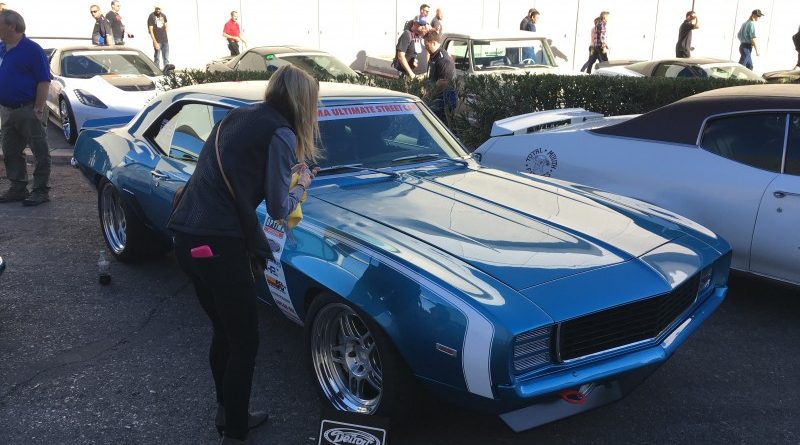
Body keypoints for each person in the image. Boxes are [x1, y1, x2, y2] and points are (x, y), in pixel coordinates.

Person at [168, 64, 320, 444]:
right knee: (246, 340)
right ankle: (235, 432)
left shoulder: (239, 116)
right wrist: (301, 184)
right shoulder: (281, 132)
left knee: (225, 330)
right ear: (304, 102)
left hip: (187, 236)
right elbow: (278, 208)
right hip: (218, 244)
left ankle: (228, 412)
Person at [0, 9, 52, 206]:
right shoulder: (2, 48)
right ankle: (18, 188)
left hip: (29, 109)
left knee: (40, 151)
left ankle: (40, 191)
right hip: (7, 110)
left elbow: (44, 81)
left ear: (12, 26)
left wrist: (38, 109)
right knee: (11, 150)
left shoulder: (32, 50)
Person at [423, 30, 455, 123]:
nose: (425, 47)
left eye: (427, 45)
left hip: (442, 101)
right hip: (434, 98)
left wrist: (428, 95)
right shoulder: (433, 56)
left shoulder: (443, 59)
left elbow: (443, 82)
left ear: (433, 43)